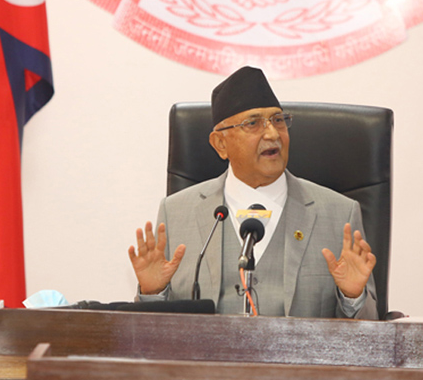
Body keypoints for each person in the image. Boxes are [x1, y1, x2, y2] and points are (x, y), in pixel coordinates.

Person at [128, 66, 377, 319]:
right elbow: (154, 332)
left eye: (278, 120)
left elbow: (372, 330)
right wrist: (153, 292)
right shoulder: (176, 213)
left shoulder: (339, 214)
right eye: (253, 123)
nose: (272, 134)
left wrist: (352, 297)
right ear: (220, 144)